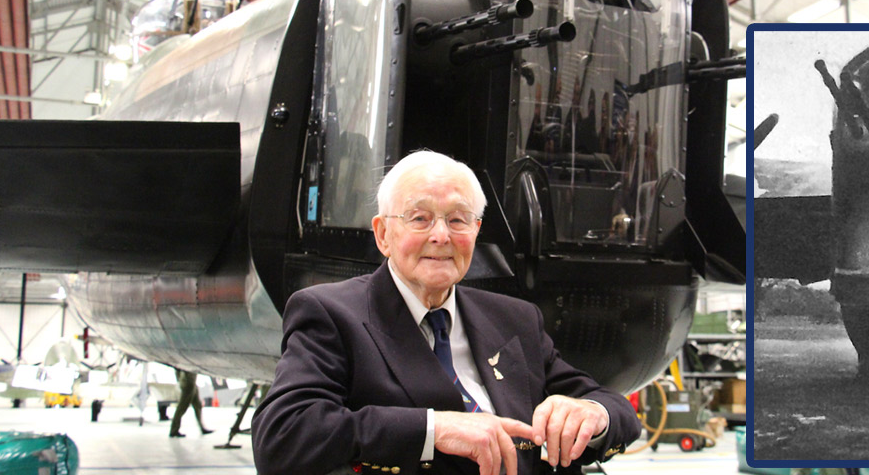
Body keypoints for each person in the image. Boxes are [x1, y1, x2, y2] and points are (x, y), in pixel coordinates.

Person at [251, 151, 639, 475]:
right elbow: (283, 435)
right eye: (419, 218)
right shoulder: (332, 314)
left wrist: (591, 413)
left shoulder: (515, 318)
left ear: (476, 230)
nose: (441, 235)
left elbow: (615, 409)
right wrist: (433, 429)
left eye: (457, 220)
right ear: (383, 234)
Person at [169, 368, 212, 438]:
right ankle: (174, 430)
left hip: (191, 381)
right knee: (182, 407)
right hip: (188, 382)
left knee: (198, 405)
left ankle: (202, 428)